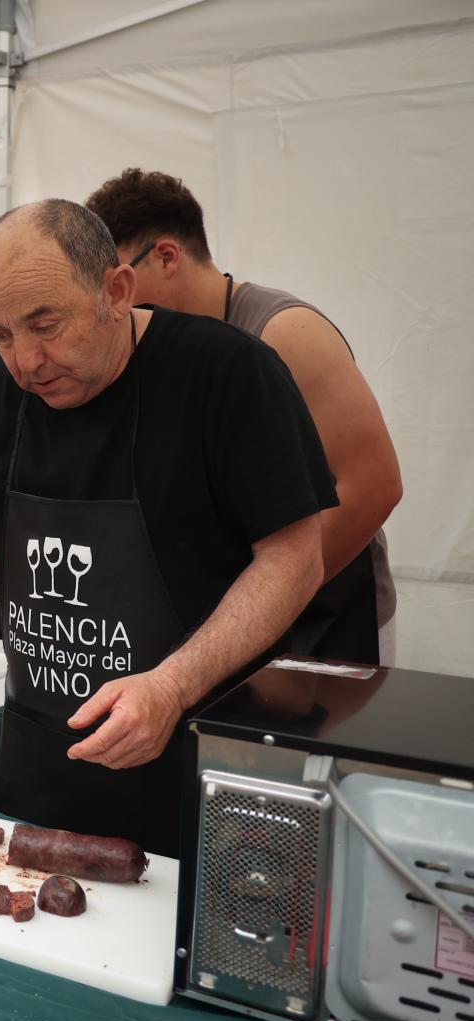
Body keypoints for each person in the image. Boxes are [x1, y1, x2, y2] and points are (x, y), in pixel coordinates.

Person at [0, 200, 336, 857]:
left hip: (200, 771)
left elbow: (294, 559)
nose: (25, 361)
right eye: (0, 334)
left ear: (117, 291)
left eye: (45, 325)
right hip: (40, 768)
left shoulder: (229, 376)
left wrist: (170, 687)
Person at [87, 168, 401, 664]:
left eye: (122, 282)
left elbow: (373, 486)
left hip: (327, 611)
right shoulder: (158, 349)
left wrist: (263, 602)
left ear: (167, 256)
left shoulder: (285, 333)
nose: (117, 305)